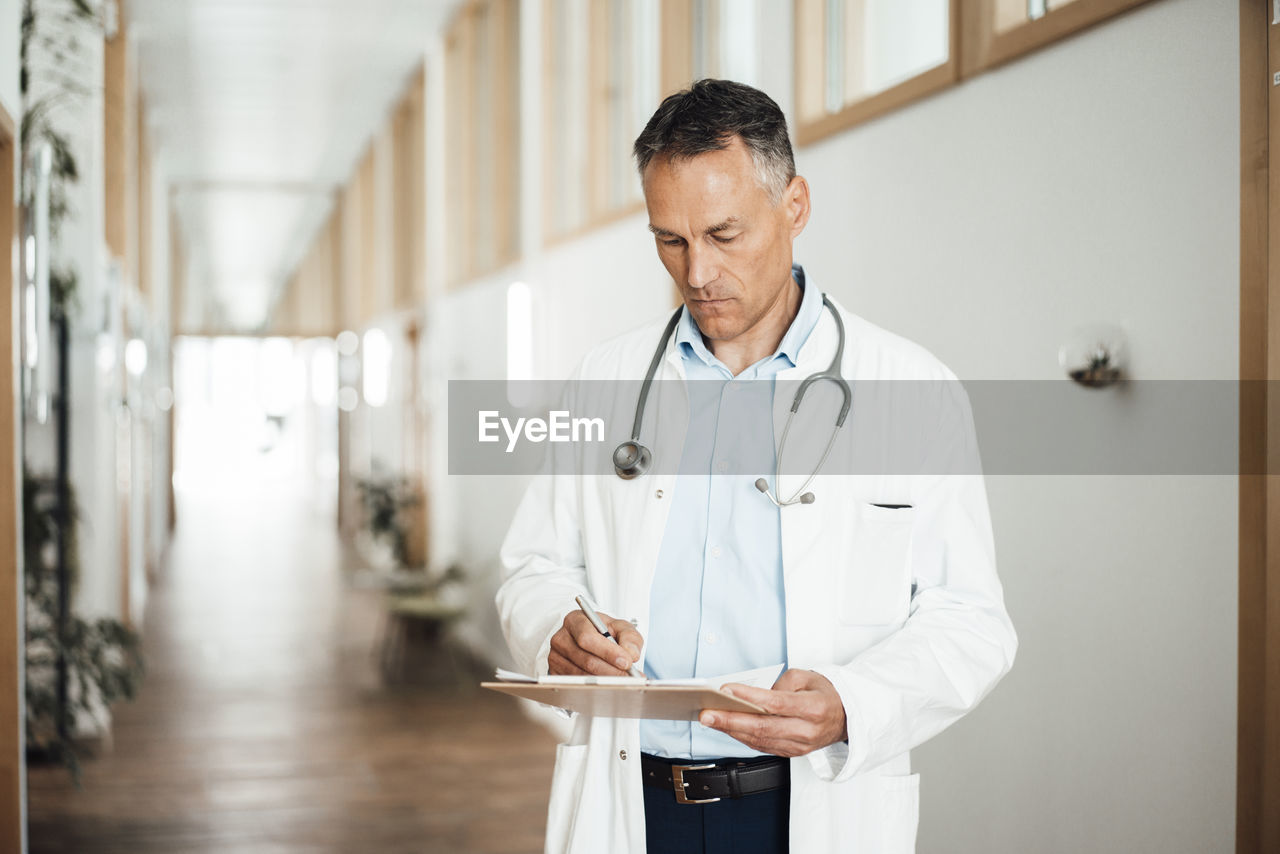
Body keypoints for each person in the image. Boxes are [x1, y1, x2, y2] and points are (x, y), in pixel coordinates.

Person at [496, 79, 1016, 854]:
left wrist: (853, 700)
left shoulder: (910, 388)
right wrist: (555, 629)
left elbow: (971, 620)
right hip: (633, 804)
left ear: (795, 205)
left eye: (723, 234)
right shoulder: (606, 379)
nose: (696, 272)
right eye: (669, 240)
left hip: (808, 806)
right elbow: (533, 566)